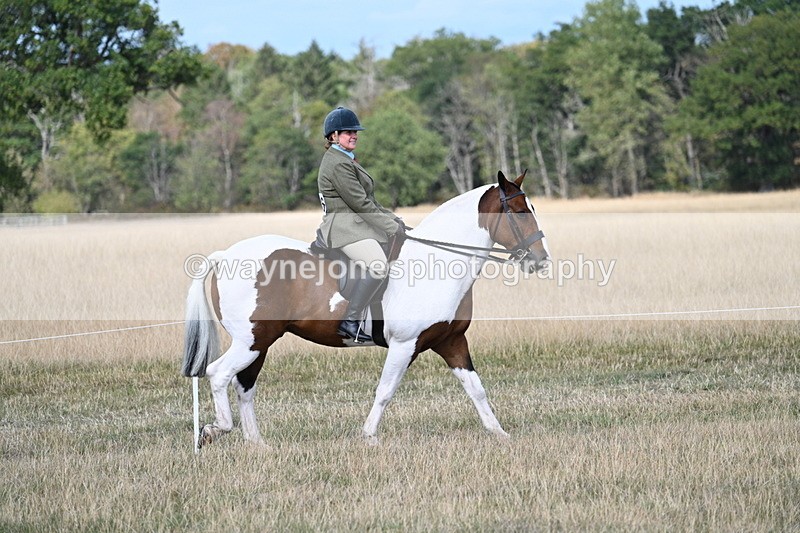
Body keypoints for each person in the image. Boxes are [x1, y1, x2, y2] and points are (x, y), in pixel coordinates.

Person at [316, 106, 404, 343]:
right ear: (333, 136)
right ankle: (350, 320)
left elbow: (369, 201)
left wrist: (393, 220)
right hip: (344, 228)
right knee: (378, 266)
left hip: (355, 223)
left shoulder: (345, 158)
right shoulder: (337, 163)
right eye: (347, 132)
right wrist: (390, 226)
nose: (354, 135)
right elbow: (360, 204)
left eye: (355, 131)